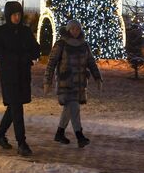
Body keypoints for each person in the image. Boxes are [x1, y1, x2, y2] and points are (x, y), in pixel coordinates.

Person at [0, 1, 41, 156]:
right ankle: (22, 142)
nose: (17, 17)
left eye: (19, 14)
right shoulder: (0, 31)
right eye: (14, 14)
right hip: (9, 75)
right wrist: (16, 58)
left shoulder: (25, 31)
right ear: (8, 15)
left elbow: (36, 49)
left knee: (14, 107)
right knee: (17, 107)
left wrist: (29, 56)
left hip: (23, 74)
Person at [43, 19, 102, 148]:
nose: (75, 31)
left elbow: (91, 62)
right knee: (74, 107)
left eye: (77, 29)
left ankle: (60, 133)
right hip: (66, 82)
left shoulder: (84, 45)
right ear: (68, 30)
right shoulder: (61, 44)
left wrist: (98, 78)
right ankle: (79, 136)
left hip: (80, 83)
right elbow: (51, 63)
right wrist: (47, 81)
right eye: (73, 29)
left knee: (69, 108)